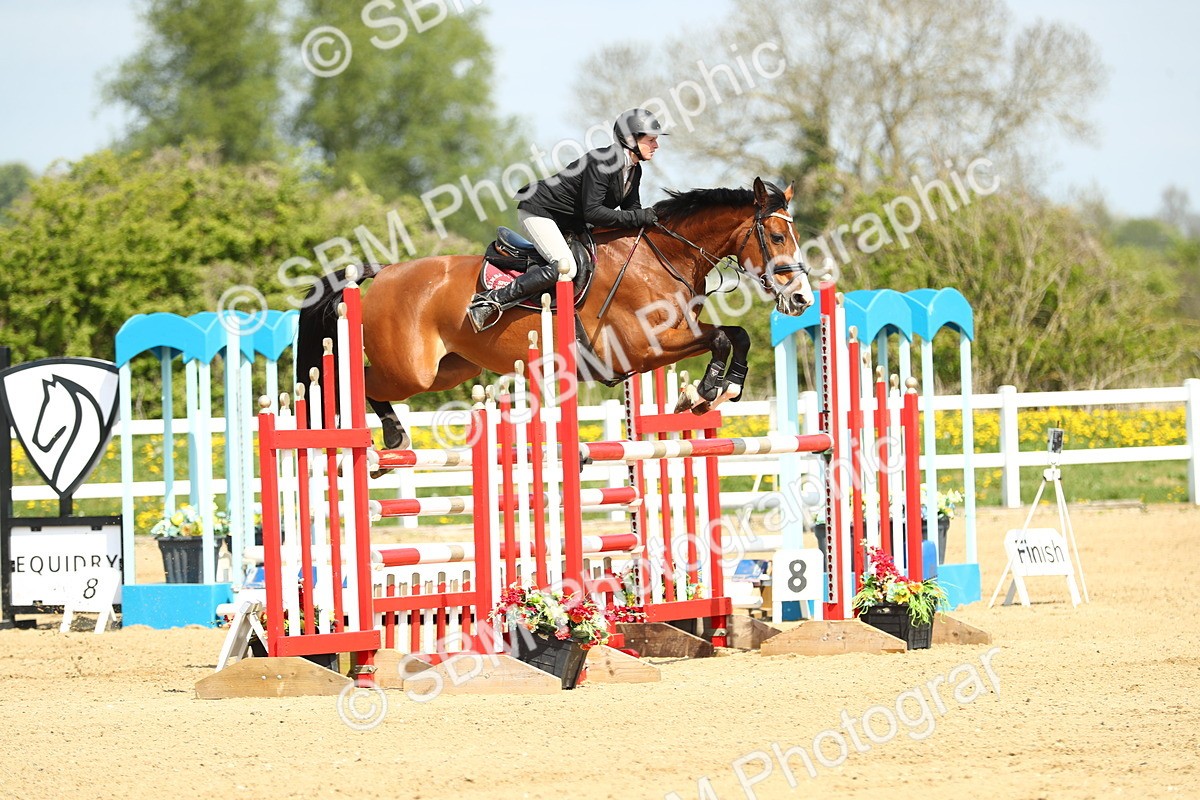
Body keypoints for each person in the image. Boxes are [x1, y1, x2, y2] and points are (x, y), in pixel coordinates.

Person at [467, 108, 667, 332]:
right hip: (540, 211)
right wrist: (639, 216)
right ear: (630, 139)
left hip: (568, 221)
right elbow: (594, 212)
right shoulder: (603, 161)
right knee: (565, 267)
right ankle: (490, 301)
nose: (656, 146)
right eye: (651, 140)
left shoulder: (634, 170)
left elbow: (632, 213)